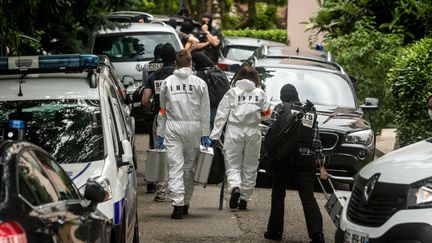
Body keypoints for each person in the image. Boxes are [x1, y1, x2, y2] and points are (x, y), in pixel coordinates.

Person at [264, 84, 328, 242]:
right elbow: (316, 140)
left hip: (283, 158)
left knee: (278, 194)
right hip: (306, 158)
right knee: (308, 197)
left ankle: (275, 231)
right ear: (297, 95)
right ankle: (317, 234)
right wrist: (321, 166)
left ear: (283, 96)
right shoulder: (310, 113)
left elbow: (271, 134)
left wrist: (267, 156)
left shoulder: (280, 108)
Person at [156, 49, 211, 219]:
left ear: (174, 64)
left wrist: (160, 132)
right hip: (193, 127)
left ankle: (177, 204)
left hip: (173, 126)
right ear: (191, 63)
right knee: (188, 168)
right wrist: (205, 133)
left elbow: (163, 110)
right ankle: (186, 202)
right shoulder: (200, 83)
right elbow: (205, 111)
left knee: (175, 167)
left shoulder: (167, 83)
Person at [210, 63, 271, 210]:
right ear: (255, 78)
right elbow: (267, 116)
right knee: (250, 165)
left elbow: (221, 115)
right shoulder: (260, 93)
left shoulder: (232, 93)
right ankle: (245, 198)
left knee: (233, 164)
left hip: (234, 132)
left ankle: (235, 187)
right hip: (253, 132)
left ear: (239, 76)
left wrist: (215, 135)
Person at [142, 43, 177, 197]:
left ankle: (158, 188)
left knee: (160, 151)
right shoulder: (179, 74)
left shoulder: (154, 75)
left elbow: (145, 100)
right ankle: (176, 189)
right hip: (181, 118)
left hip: (161, 116)